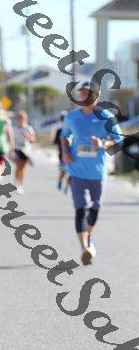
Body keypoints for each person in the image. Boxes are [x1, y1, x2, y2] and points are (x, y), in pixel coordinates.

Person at [60, 80, 123, 265]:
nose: (84, 95)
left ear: (97, 95)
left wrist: (103, 144)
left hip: (97, 172)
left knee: (94, 209)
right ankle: (85, 247)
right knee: (80, 209)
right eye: (82, 92)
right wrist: (65, 152)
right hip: (76, 171)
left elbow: (118, 140)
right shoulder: (72, 117)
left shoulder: (106, 117)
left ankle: (88, 238)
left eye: (88, 93)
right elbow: (64, 136)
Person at [12, 110, 36, 194]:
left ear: (25, 119)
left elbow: (33, 140)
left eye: (22, 118)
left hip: (25, 150)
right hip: (16, 149)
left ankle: (20, 184)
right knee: (18, 166)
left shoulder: (28, 128)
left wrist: (27, 136)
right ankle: (16, 183)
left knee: (22, 169)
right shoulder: (14, 129)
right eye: (19, 118)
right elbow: (11, 140)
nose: (21, 120)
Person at [54, 111, 70, 194]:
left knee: (70, 173)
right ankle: (60, 181)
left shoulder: (73, 129)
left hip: (72, 154)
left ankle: (67, 188)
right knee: (63, 172)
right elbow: (56, 142)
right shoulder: (59, 131)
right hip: (62, 154)